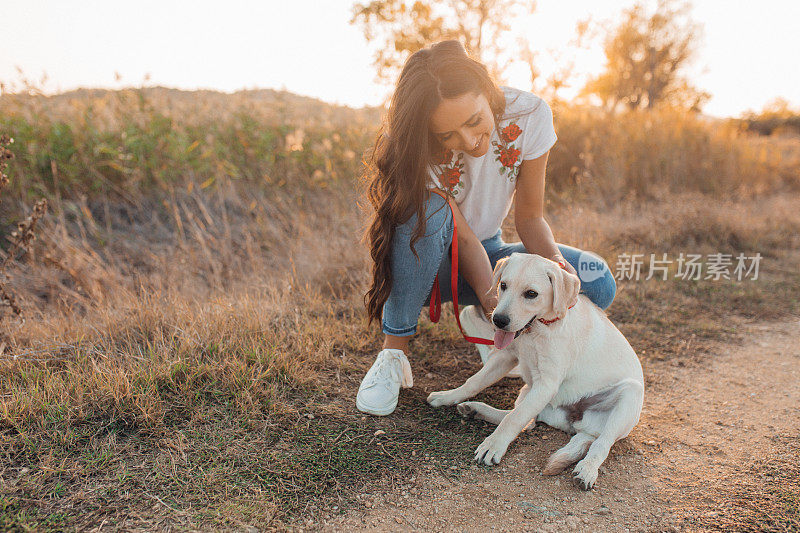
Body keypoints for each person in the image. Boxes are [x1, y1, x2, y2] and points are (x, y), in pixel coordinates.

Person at [357, 40, 617, 416]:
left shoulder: (530, 115)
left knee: (595, 281)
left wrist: (557, 266)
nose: (467, 141)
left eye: (473, 121)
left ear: (487, 89)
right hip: (428, 265)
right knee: (429, 211)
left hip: (491, 252)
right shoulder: (416, 146)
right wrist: (487, 290)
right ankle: (392, 355)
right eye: (447, 135)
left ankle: (491, 323)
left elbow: (529, 218)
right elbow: (459, 236)